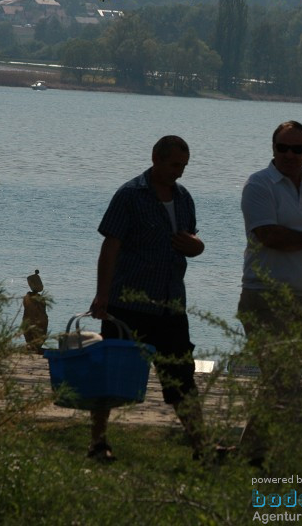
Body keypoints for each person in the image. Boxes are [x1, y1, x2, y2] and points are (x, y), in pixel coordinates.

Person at [88, 135, 207, 463]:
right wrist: (102, 295)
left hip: (171, 306)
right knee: (112, 377)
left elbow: (191, 240)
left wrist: (198, 247)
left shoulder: (184, 198)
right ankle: (98, 443)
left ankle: (202, 448)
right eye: (173, 165)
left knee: (181, 379)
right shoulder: (130, 195)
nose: (179, 173)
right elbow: (110, 246)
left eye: (183, 166)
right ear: (155, 158)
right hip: (129, 305)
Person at [238, 120, 302, 467]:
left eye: (296, 149)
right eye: (282, 148)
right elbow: (269, 235)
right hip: (265, 293)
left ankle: (252, 453)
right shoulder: (259, 184)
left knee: (284, 379)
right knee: (281, 377)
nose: (289, 154)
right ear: (273, 149)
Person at [21, 269, 48, 353]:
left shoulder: (29, 297)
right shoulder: (36, 298)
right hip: (36, 322)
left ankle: (34, 346)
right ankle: (35, 346)